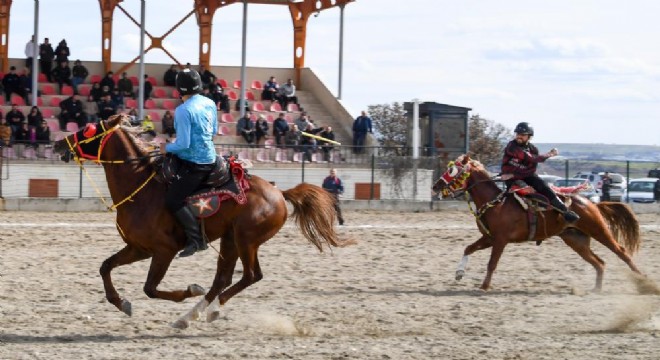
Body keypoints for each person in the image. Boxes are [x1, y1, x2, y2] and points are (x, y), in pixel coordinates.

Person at [160, 68, 217, 258]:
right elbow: (214, 131)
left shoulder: (183, 110)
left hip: (196, 163)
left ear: (179, 89)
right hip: (212, 157)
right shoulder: (210, 103)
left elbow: (183, 144)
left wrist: (166, 148)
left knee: (173, 199)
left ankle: (196, 239)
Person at [501, 122, 579, 223]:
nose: (519, 136)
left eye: (522, 135)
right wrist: (550, 154)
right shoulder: (512, 146)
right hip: (511, 179)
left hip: (524, 176)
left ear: (529, 137)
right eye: (518, 134)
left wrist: (515, 174)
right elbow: (531, 159)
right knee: (523, 190)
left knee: (544, 186)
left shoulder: (533, 149)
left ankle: (565, 212)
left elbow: (531, 169)